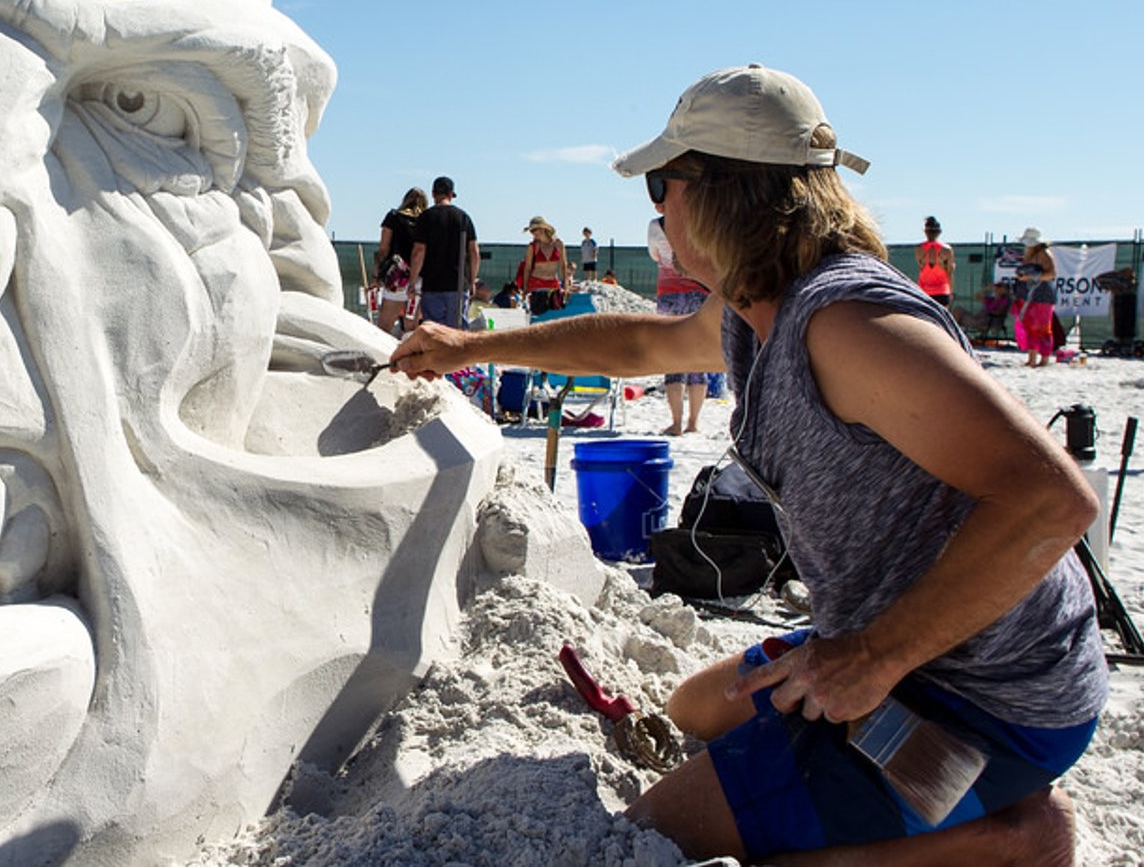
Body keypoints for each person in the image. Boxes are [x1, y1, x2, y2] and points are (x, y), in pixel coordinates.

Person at [394, 64, 1105, 864]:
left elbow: (1052, 500)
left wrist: (877, 656)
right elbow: (638, 341)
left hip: (986, 687)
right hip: (888, 637)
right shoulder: (753, 306)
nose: (657, 207)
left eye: (665, 182)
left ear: (729, 193)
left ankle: (1015, 839)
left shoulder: (848, 325)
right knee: (694, 707)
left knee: (659, 839)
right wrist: (472, 346)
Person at [651, 216, 712, 436]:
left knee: (672, 356)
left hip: (670, 293)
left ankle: (676, 423)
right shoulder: (703, 222)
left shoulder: (657, 226)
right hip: (700, 292)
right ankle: (693, 422)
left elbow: (654, 254)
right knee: (698, 358)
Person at [408, 176, 479, 330]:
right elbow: (474, 253)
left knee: (434, 332)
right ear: (450, 194)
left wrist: (412, 281)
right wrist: (472, 281)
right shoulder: (463, 218)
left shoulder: (425, 217)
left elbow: (418, 252)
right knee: (458, 333)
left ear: (433, 194)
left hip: (433, 284)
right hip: (458, 284)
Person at [372, 188, 427, 335]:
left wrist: (376, 276)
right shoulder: (427, 220)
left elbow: (383, 249)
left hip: (397, 277)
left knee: (384, 326)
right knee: (411, 328)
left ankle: (383, 356)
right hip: (420, 278)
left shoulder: (393, 217)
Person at [1016, 231, 1059, 368]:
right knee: (1030, 326)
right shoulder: (1031, 254)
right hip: (1031, 293)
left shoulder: (1044, 254)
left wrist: (1030, 277)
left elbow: (1051, 274)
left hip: (1042, 294)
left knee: (1042, 328)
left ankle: (1044, 359)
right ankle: (1032, 358)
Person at [520, 215, 569, 315]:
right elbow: (527, 269)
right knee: (538, 317)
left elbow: (563, 266)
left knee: (556, 317)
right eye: (531, 231)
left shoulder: (558, 244)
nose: (532, 233)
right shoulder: (533, 246)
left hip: (553, 285)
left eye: (534, 230)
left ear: (543, 228)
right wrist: (525, 288)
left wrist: (566, 286)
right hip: (536, 284)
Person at [916, 215, 956, 307]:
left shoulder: (918, 249)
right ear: (939, 232)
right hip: (942, 291)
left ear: (925, 232)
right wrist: (951, 292)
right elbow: (949, 272)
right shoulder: (947, 250)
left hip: (924, 292)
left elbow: (921, 267)